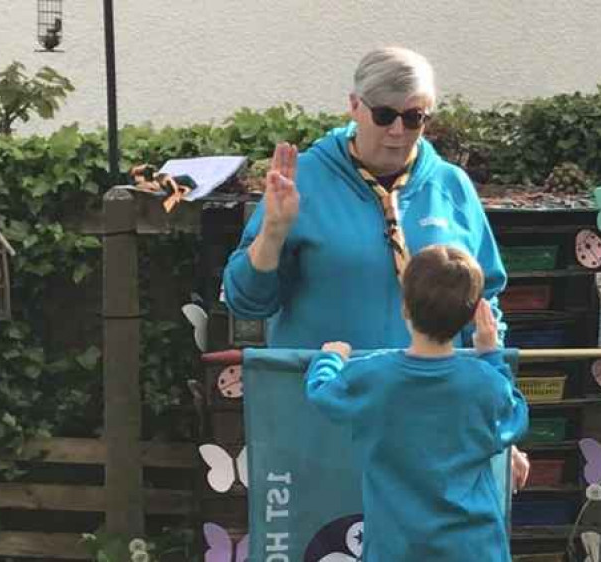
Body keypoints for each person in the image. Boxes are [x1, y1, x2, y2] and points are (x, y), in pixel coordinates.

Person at [221, 47, 530, 485]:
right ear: (354, 106)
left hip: (434, 429)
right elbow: (246, 301)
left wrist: (499, 429)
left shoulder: (450, 185)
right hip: (325, 425)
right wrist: (272, 232)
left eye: (414, 117)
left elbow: (484, 311)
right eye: (384, 115)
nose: (398, 131)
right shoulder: (303, 179)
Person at [305, 245, 529, 562]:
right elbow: (515, 417)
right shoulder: (485, 382)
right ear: (471, 315)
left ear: (405, 308)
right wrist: (491, 355)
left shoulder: (373, 376)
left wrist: (330, 358)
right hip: (475, 548)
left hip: (396, 548)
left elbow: (322, 393)